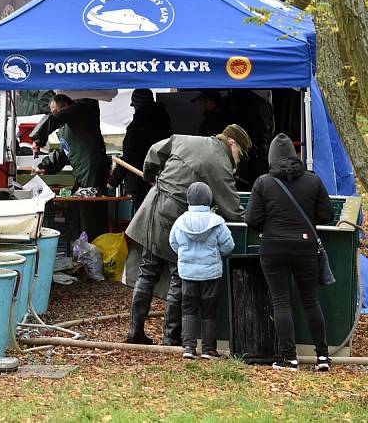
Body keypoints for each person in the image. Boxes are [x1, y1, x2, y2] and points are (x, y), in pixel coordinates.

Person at [125, 125, 250, 347]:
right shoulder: (219, 162)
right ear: (232, 143)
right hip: (175, 215)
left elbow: (154, 151)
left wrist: (151, 176)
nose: (238, 160)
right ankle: (170, 336)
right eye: (240, 153)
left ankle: (135, 332)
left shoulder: (186, 139)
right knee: (179, 275)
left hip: (153, 205)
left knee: (147, 270)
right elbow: (232, 210)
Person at [244, 133, 333, 371]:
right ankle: (323, 357)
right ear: (295, 157)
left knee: (281, 302)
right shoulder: (313, 181)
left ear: (272, 157)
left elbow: (252, 219)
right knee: (311, 301)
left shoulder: (263, 182)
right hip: (305, 248)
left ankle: (288, 358)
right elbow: (327, 215)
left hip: (273, 248)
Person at [108, 90, 173, 287]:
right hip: (163, 178)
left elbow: (129, 156)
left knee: (142, 225)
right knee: (160, 220)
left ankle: (144, 267)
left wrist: (113, 180)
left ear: (137, 105)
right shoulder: (164, 122)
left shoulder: (136, 127)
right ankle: (160, 262)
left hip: (140, 180)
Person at [169, 182, 235, 360]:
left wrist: (186, 256)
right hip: (210, 275)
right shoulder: (216, 222)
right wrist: (215, 256)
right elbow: (229, 245)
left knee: (188, 310)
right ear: (209, 199)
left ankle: (189, 347)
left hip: (187, 274)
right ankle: (208, 349)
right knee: (209, 311)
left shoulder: (180, 221)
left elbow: (173, 243)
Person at [33, 94, 110, 240]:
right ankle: (84, 252)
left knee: (92, 218)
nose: (55, 114)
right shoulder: (66, 129)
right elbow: (64, 151)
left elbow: (53, 120)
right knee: (80, 218)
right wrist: (45, 165)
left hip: (92, 172)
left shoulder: (80, 110)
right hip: (81, 174)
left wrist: (38, 139)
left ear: (66, 107)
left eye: (57, 111)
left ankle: (95, 253)